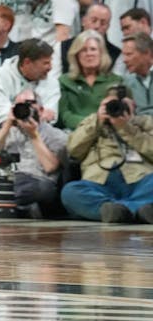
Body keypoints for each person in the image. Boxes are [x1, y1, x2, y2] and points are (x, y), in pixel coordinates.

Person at [0, 89, 67, 217]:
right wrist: (6, 126)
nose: (24, 108)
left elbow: (50, 167)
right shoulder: (10, 132)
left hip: (35, 183)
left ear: (41, 110)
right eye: (19, 105)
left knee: (42, 189)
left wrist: (34, 136)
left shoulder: (57, 135)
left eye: (29, 103)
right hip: (7, 183)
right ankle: (18, 210)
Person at [60, 89, 153, 223]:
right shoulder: (91, 122)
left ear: (133, 105)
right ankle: (134, 210)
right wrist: (97, 122)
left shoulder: (145, 123)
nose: (116, 108)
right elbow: (73, 150)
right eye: (109, 104)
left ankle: (120, 212)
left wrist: (127, 128)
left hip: (140, 180)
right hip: (99, 183)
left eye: (122, 105)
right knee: (70, 192)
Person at [0, 38, 60, 171]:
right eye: (45, 63)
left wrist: (24, 116)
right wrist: (33, 115)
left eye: (50, 62)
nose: (50, 67)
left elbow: (51, 116)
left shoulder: (51, 82)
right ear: (27, 62)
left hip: (38, 133)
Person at [59, 30, 122, 130]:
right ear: (76, 55)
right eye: (84, 50)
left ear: (101, 53)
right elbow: (65, 115)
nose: (89, 54)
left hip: (106, 131)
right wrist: (93, 123)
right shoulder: (65, 81)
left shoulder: (116, 81)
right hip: (76, 132)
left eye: (93, 49)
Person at [122, 33, 153, 116]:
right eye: (124, 55)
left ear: (147, 53)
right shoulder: (126, 84)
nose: (124, 60)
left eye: (129, 54)